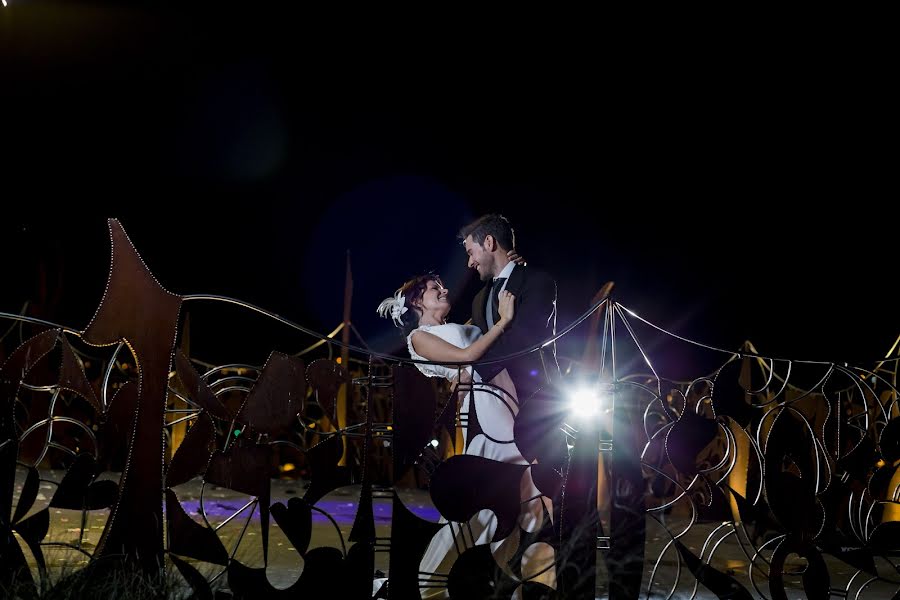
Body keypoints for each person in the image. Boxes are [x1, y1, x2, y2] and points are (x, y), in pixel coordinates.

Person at [377, 274, 556, 598]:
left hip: (503, 395)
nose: (444, 290)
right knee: (495, 497)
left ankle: (509, 580)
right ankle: (429, 581)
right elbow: (467, 357)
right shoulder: (419, 337)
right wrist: (503, 321)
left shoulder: (457, 325)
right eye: (435, 289)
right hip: (487, 406)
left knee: (519, 501)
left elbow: (477, 339)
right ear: (417, 302)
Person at [457, 214, 559, 402]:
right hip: (492, 401)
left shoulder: (537, 282)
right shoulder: (478, 300)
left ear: (488, 242)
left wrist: (475, 372)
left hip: (537, 398)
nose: (469, 263)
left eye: (471, 253)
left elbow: (524, 337)